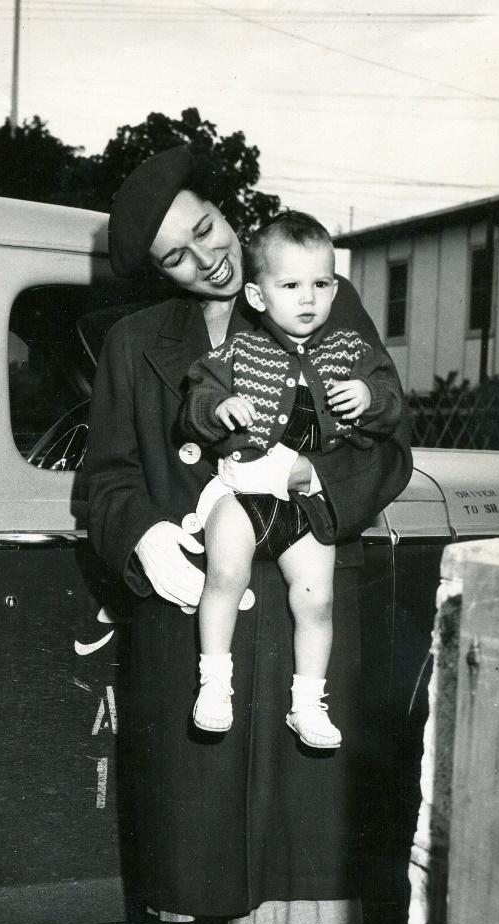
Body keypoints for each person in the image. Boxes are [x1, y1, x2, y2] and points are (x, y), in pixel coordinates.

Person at [85, 144, 411, 924]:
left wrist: (313, 490)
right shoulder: (136, 342)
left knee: (297, 842)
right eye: (180, 257)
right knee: (192, 844)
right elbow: (101, 479)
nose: (209, 260)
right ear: (158, 275)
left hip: (302, 610)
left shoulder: (320, 299)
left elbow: (385, 451)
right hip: (194, 617)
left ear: (230, 213)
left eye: (210, 230)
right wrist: (143, 536)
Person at [181, 210, 405, 747]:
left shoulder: (351, 349)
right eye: (291, 285)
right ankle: (214, 683)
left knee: (317, 600)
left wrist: (371, 399)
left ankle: (307, 702)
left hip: (306, 504)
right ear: (258, 297)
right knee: (225, 576)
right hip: (246, 491)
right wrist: (221, 408)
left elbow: (393, 405)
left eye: (322, 284)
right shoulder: (237, 351)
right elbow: (196, 402)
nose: (309, 299)